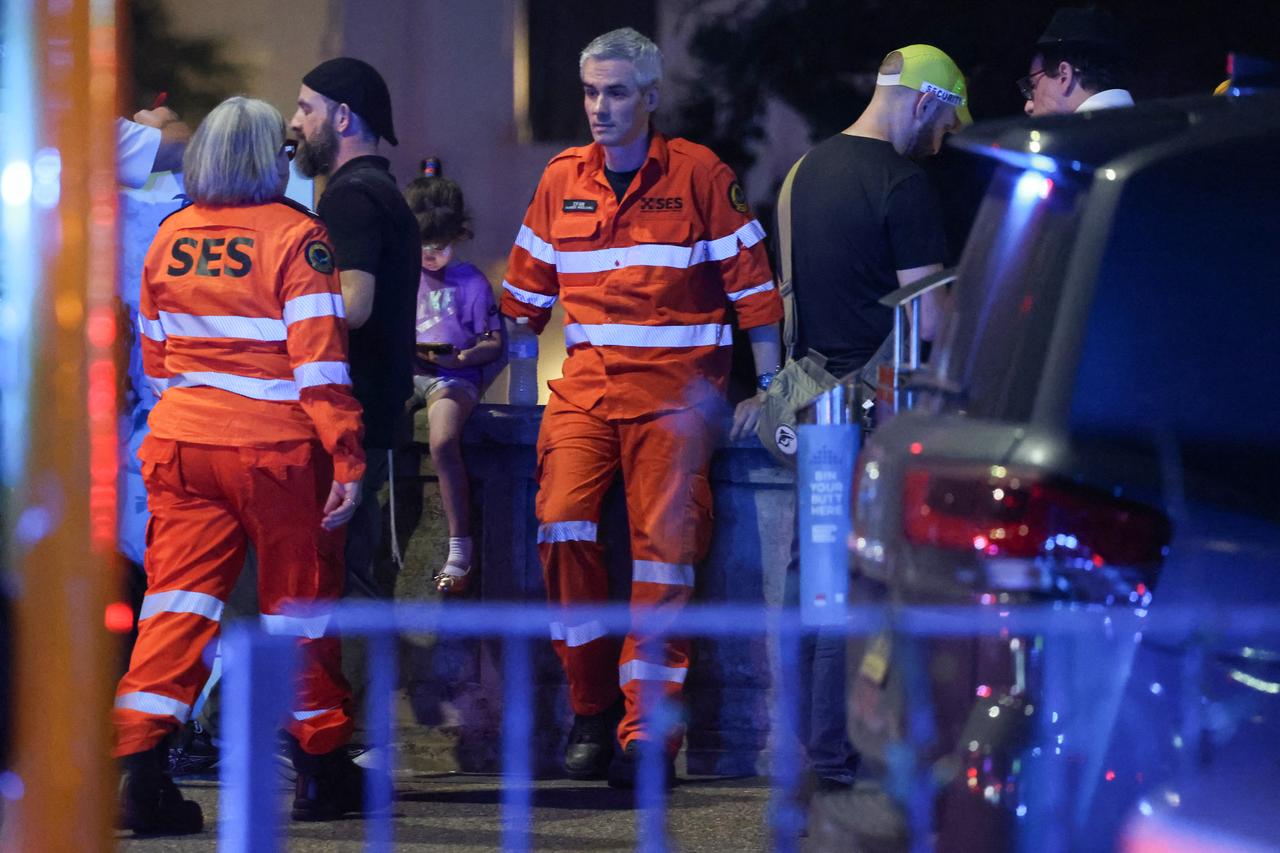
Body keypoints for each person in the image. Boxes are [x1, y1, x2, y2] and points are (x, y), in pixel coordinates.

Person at [500, 27, 783, 789]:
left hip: (675, 398)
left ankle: (648, 732)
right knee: (561, 521)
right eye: (590, 91)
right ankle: (590, 709)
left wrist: (769, 389)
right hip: (586, 394)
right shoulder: (561, 179)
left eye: (616, 92)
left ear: (650, 98)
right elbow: (520, 308)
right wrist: (496, 382)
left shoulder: (698, 175)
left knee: (664, 554)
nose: (599, 107)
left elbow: (757, 295)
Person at [112, 96, 367, 834]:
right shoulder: (297, 236)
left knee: (174, 607)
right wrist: (346, 456)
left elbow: (155, 356)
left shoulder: (171, 236)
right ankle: (321, 768)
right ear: (270, 160)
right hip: (279, 454)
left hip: (183, 447)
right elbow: (320, 365)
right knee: (300, 606)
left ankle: (141, 767)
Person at [783, 44, 969, 795]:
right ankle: (842, 754)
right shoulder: (903, 184)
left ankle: (808, 749)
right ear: (923, 102)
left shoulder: (802, 174)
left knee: (811, 577)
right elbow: (931, 321)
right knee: (862, 583)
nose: (945, 139)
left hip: (808, 399)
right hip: (874, 410)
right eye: (947, 122)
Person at [290, 57, 420, 600]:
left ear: (342, 118)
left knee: (348, 582)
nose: (293, 123)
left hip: (358, 423)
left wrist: (279, 314)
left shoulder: (349, 197)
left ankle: (356, 687)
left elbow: (354, 304)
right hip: (376, 419)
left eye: (305, 109)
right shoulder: (377, 188)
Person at [402, 175, 502, 595]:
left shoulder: (471, 282)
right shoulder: (405, 276)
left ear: (458, 236)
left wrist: (460, 359)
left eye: (439, 247)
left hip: (452, 376)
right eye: (423, 246)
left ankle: (460, 548)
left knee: (443, 441)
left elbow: (493, 342)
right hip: (410, 372)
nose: (430, 256)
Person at [1020, 6, 1134, 116]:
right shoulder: (1146, 122)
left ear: (1064, 76)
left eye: (1033, 86)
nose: (1028, 106)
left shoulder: (1078, 134)